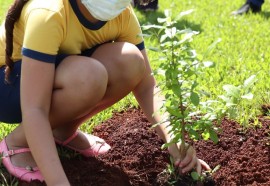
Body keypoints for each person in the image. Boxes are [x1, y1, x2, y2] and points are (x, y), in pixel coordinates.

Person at [0, 0, 210, 185]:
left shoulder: (122, 14)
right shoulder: (49, 11)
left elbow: (147, 85)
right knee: (89, 76)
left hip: (55, 77)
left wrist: (175, 141)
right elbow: (35, 108)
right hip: (8, 85)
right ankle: (17, 142)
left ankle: (63, 131)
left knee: (131, 61)